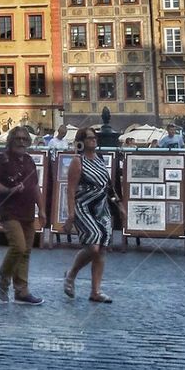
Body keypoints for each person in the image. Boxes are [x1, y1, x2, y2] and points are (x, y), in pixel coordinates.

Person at [0, 126, 46, 304]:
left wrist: (41, 209)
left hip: (27, 210)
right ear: (11, 141)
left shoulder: (29, 160)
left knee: (26, 251)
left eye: (24, 139)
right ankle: (3, 280)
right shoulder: (2, 160)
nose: (21, 142)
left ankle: (21, 290)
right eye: (18, 139)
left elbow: (35, 187)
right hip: (8, 210)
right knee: (18, 247)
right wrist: (8, 190)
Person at [64, 126, 122, 303]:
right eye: (89, 138)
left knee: (101, 249)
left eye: (94, 137)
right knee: (93, 246)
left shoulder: (100, 159)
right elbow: (71, 189)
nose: (93, 140)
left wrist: (119, 205)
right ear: (81, 141)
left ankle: (95, 291)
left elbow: (109, 185)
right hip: (84, 207)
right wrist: (71, 214)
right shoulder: (77, 161)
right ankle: (71, 273)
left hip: (101, 208)